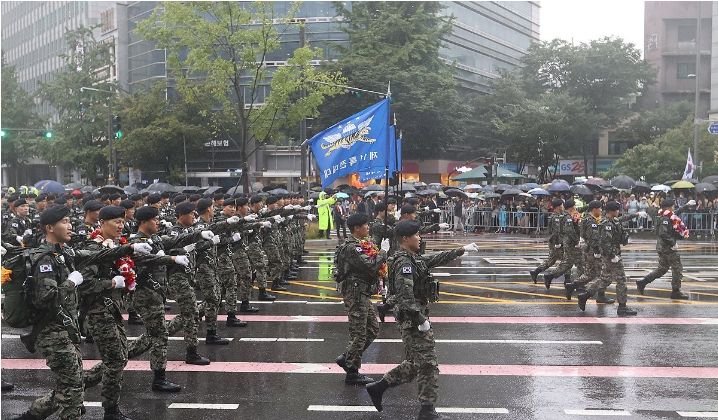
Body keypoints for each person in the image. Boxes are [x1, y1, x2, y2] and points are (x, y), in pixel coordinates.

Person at [10, 205, 150, 420]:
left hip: (67, 329)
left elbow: (94, 255)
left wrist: (129, 249)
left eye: (69, 221)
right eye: (64, 222)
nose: (70, 226)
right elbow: (44, 298)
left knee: (71, 387)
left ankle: (33, 415)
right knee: (73, 391)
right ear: (49, 227)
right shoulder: (45, 260)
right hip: (51, 332)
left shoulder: (64, 252)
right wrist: (70, 283)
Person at [365, 220, 478, 420]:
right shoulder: (403, 262)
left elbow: (433, 259)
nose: (420, 238)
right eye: (416, 235)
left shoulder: (411, 258)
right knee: (429, 364)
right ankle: (427, 410)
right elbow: (405, 296)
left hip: (413, 318)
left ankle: (379, 387)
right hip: (412, 320)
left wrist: (460, 250)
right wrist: (419, 319)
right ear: (405, 239)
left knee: (415, 364)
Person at [125, 205, 195, 392]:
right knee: (160, 335)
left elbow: (177, 238)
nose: (157, 222)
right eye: (154, 219)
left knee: (155, 334)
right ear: (143, 222)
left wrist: (200, 235)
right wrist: (170, 259)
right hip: (145, 296)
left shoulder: (155, 239)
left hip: (156, 295)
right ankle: (158, 378)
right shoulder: (137, 242)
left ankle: (121, 356)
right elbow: (145, 260)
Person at [335, 213, 388, 385]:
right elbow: (371, 265)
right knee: (358, 333)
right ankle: (352, 372)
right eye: (365, 225)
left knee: (372, 329)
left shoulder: (362, 244)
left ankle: (347, 358)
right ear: (357, 228)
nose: (368, 228)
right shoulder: (352, 248)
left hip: (362, 293)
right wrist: (383, 253)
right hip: (355, 294)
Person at [577, 201, 644, 315]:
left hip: (614, 254)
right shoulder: (606, 224)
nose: (618, 212)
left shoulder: (614, 221)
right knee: (621, 279)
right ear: (611, 211)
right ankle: (622, 307)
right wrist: (613, 256)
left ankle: (585, 296)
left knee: (605, 279)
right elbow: (605, 243)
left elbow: (619, 236)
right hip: (612, 256)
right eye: (617, 210)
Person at [636, 198, 695, 299]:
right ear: (668, 207)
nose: (673, 208)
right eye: (672, 206)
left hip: (662, 247)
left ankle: (643, 282)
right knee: (677, 268)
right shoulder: (665, 219)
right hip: (667, 247)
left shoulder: (665, 215)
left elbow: (676, 212)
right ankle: (676, 291)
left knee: (662, 269)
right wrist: (672, 243)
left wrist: (686, 205)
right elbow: (663, 233)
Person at [543, 200, 583, 297]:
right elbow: (569, 231)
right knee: (579, 262)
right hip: (570, 243)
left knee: (569, 263)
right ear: (570, 207)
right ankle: (580, 284)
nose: (575, 208)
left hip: (568, 242)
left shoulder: (567, 216)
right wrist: (576, 241)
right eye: (574, 206)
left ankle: (551, 276)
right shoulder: (567, 217)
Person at [530, 199, 564, 283]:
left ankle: (536, 272)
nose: (563, 207)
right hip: (556, 242)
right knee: (566, 261)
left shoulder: (558, 215)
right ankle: (566, 280)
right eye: (562, 205)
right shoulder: (555, 217)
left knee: (551, 260)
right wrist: (557, 243)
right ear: (558, 207)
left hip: (555, 241)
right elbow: (556, 231)